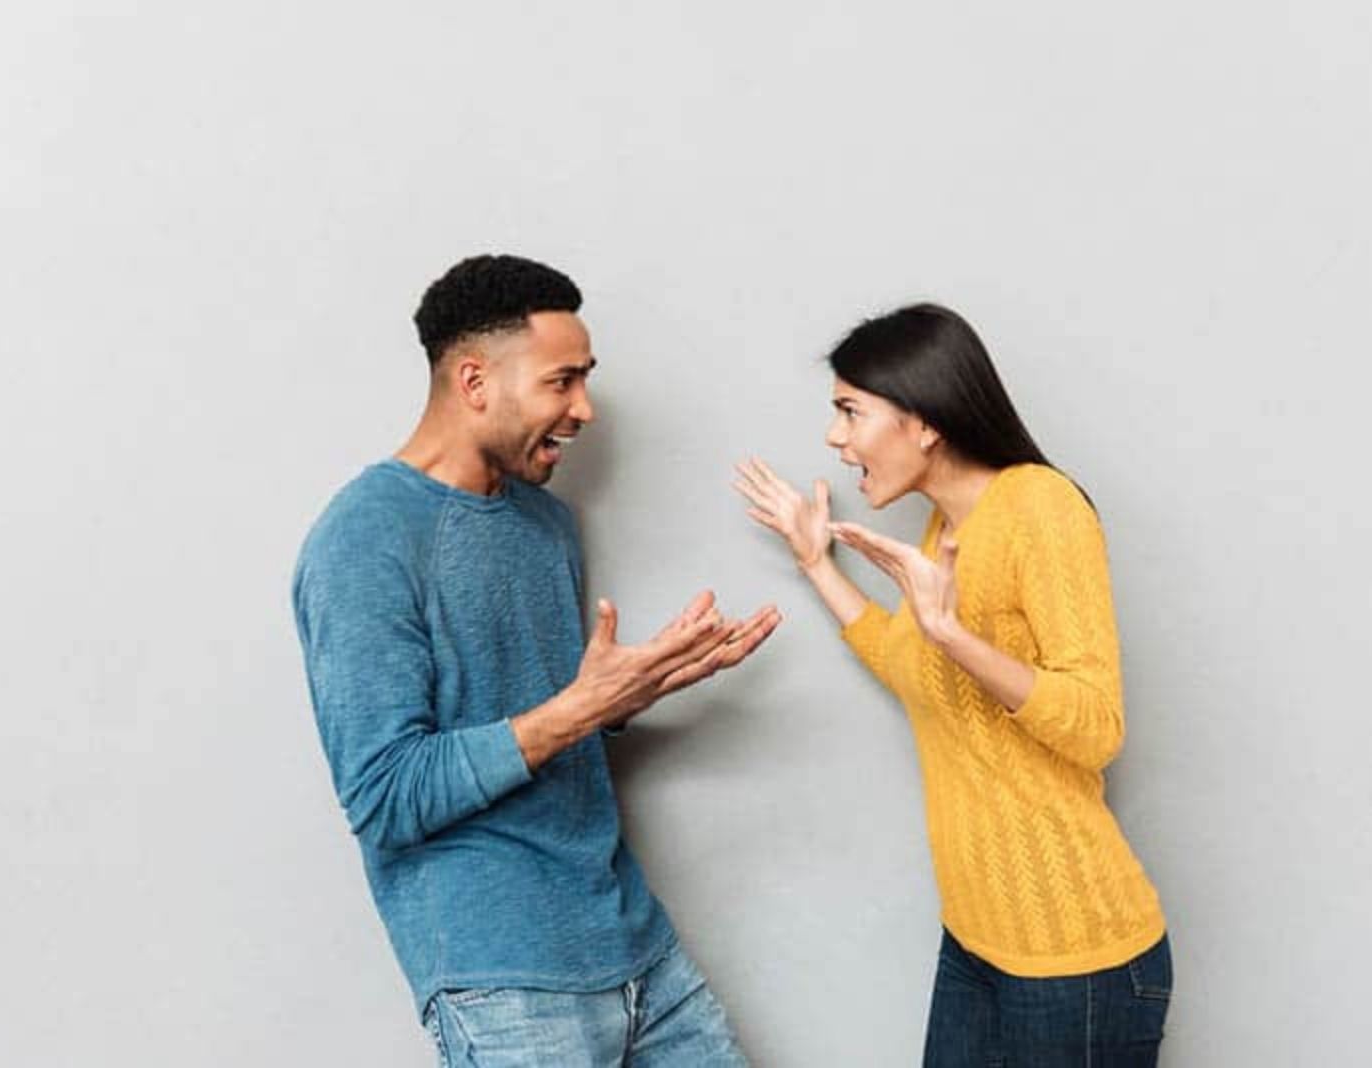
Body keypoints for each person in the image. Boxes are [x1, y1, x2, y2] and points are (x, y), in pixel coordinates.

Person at [293, 253, 777, 1067]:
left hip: (633, 945)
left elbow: (539, 718)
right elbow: (383, 794)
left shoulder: (545, 524)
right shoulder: (364, 539)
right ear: (474, 381)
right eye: (562, 382)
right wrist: (583, 708)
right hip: (502, 977)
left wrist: (628, 694)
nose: (584, 408)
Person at [734, 303, 1171, 1066]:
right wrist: (816, 563)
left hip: (1075, 958)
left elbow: (1097, 728)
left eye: (849, 412)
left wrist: (952, 633)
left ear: (923, 419)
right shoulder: (946, 532)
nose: (835, 438)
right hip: (978, 938)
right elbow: (917, 672)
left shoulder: (1040, 508)